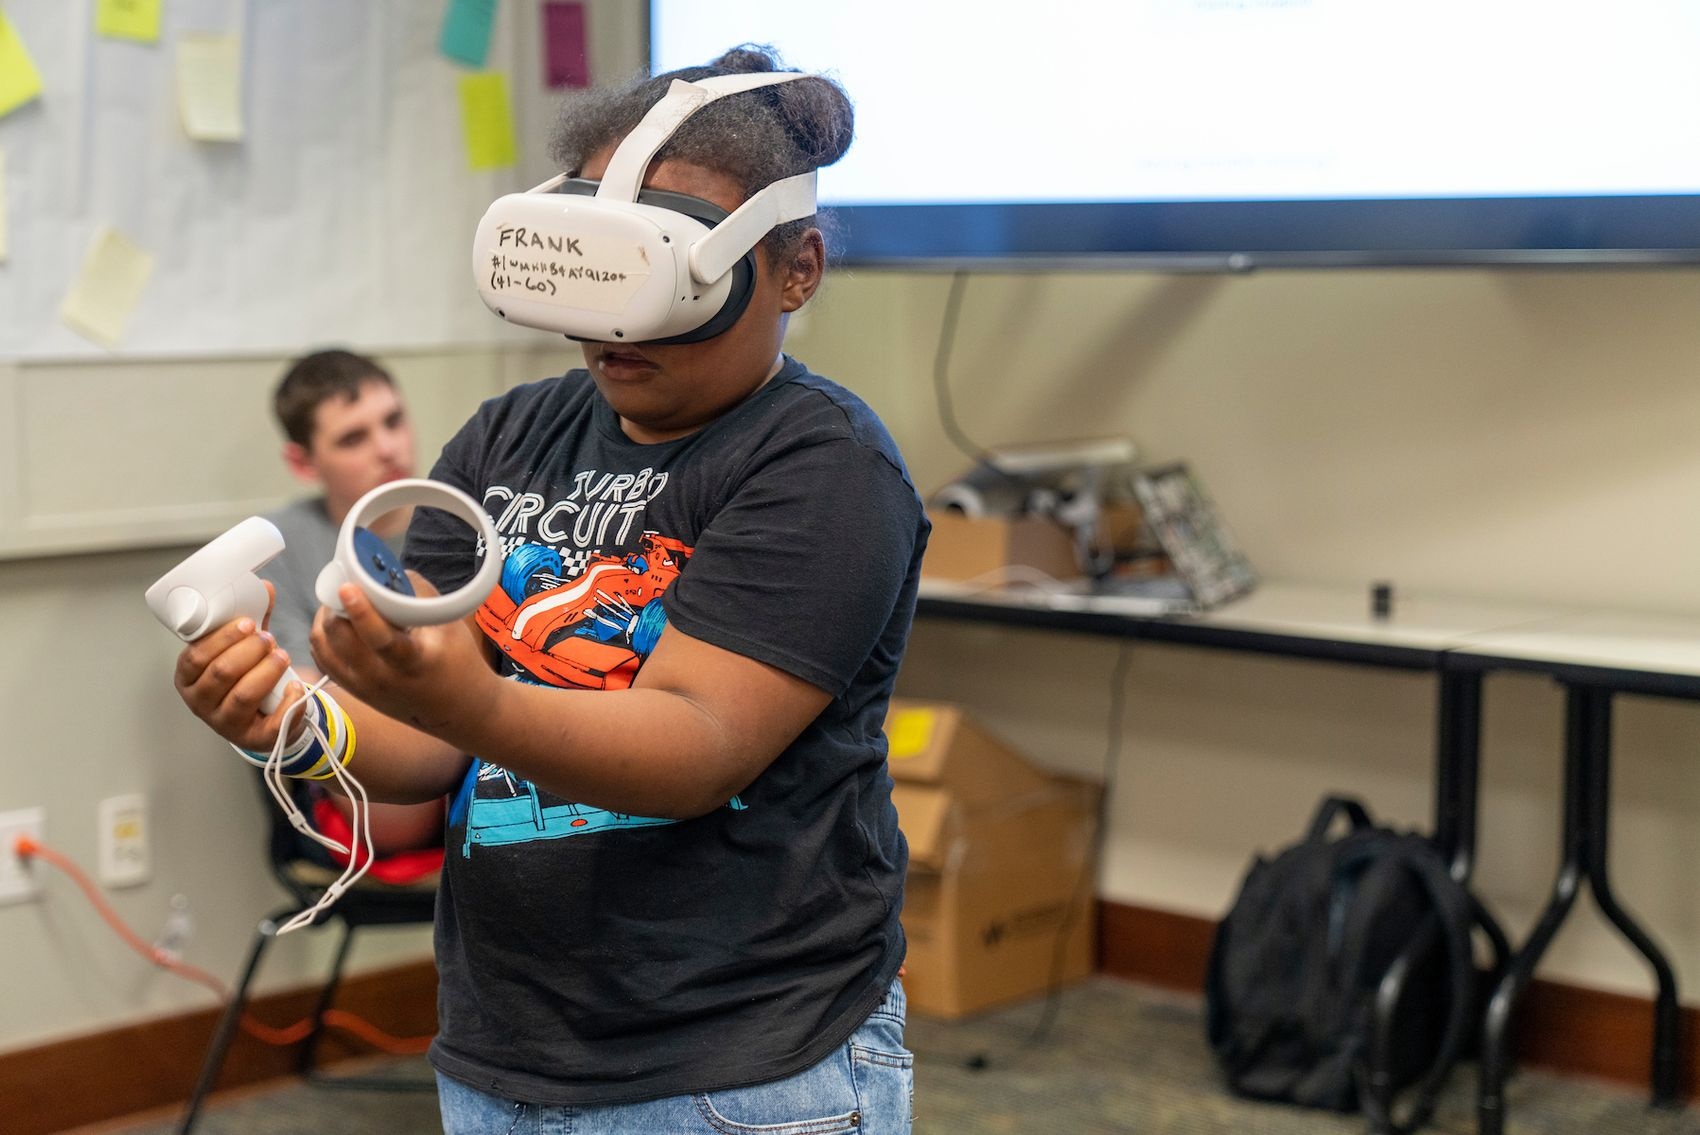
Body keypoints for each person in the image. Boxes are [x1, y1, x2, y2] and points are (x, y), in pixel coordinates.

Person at [172, 45, 926, 1134]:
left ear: (795, 269)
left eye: (663, 282)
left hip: (738, 1065)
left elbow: (693, 747)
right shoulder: (509, 433)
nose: (614, 327)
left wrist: (465, 704)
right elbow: (419, 753)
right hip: (507, 1046)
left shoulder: (822, 466)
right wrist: (286, 713)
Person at [260, 349, 444, 871]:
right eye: (352, 438)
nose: (388, 449)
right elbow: (303, 694)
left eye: (393, 421)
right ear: (303, 461)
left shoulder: (461, 519)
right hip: (375, 782)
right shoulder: (279, 547)